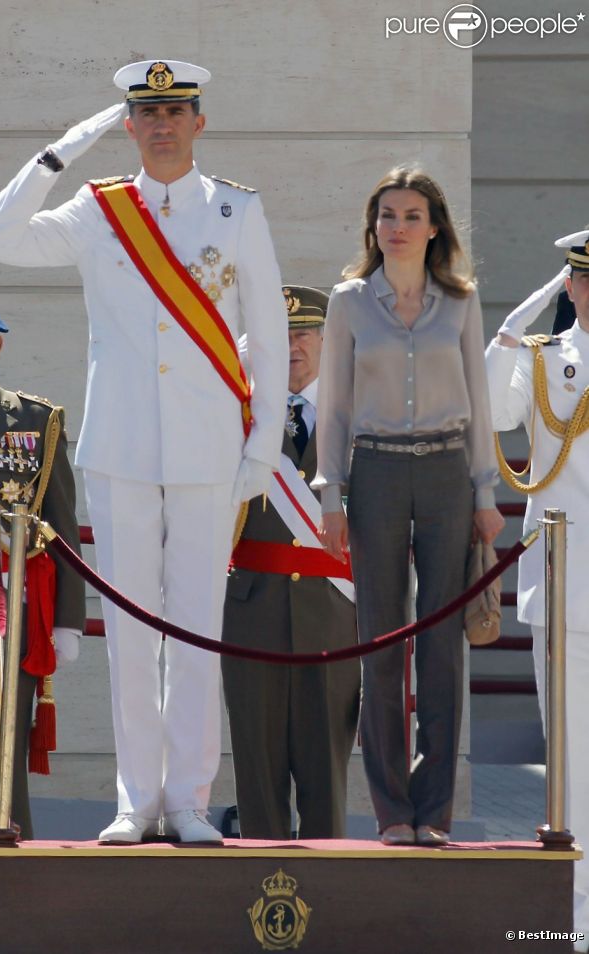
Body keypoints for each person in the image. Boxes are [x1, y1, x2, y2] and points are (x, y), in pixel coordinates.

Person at [0, 59, 288, 845]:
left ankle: (185, 800)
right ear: (127, 126)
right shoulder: (95, 210)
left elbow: (271, 340)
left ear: (198, 122)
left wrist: (262, 444)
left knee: (192, 629)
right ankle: (133, 801)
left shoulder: (234, 210)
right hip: (119, 450)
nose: (161, 124)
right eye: (146, 112)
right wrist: (58, 154)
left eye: (176, 110)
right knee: (133, 631)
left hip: (209, 449)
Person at [314, 166, 504, 847]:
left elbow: (479, 401)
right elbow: (332, 407)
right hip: (376, 475)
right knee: (380, 645)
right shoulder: (347, 301)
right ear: (373, 227)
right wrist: (328, 494)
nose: (397, 226)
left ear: (434, 228)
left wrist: (485, 493)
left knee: (441, 649)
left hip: (448, 471)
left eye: (411, 215)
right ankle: (392, 811)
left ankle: (435, 813)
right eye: (386, 214)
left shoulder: (459, 299)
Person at [0, 292, 85, 954]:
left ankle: (14, 917)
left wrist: (67, 623)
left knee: (3, 788)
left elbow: (60, 532)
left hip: (7, 624)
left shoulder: (36, 421)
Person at [221, 285, 360, 840]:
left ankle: (331, 901)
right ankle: (261, 897)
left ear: (328, 341)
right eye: (280, 336)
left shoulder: (359, 416)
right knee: (257, 769)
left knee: (327, 772)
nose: (293, 346)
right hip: (251, 612)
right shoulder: (237, 417)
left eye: (303, 333)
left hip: (334, 613)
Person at [485, 230, 589, 952]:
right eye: (583, 281)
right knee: (571, 757)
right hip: (566, 584)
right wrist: (508, 330)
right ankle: (576, 905)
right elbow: (494, 415)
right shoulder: (542, 359)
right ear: (571, 287)